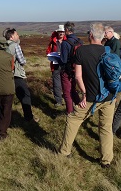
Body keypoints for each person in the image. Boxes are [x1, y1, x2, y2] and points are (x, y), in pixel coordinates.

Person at [58, 23, 115, 168]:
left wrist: (84, 94)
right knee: (105, 128)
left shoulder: (81, 51)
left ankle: (64, 152)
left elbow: (77, 76)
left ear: (91, 35)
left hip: (90, 97)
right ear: (102, 37)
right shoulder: (108, 51)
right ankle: (106, 160)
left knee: (73, 119)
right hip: (109, 97)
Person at [3, 28, 39, 123]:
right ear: (12, 36)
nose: (18, 36)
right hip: (16, 75)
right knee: (25, 95)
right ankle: (29, 117)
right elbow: (22, 61)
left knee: (6, 96)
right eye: (16, 34)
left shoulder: (3, 45)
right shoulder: (15, 46)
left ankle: (4, 117)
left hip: (4, 75)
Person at [59, 21, 83, 114]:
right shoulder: (79, 41)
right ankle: (80, 109)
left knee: (67, 92)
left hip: (67, 71)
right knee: (74, 90)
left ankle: (70, 112)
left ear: (67, 30)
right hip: (77, 69)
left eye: (65, 30)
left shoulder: (65, 43)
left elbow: (64, 60)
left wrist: (58, 59)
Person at [46, 25, 66, 107]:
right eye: (60, 32)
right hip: (56, 65)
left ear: (64, 33)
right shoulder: (53, 41)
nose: (61, 33)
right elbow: (48, 51)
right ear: (57, 32)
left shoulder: (67, 41)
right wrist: (51, 56)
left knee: (66, 82)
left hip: (65, 65)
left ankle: (67, 98)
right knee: (56, 83)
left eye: (62, 32)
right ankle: (59, 101)